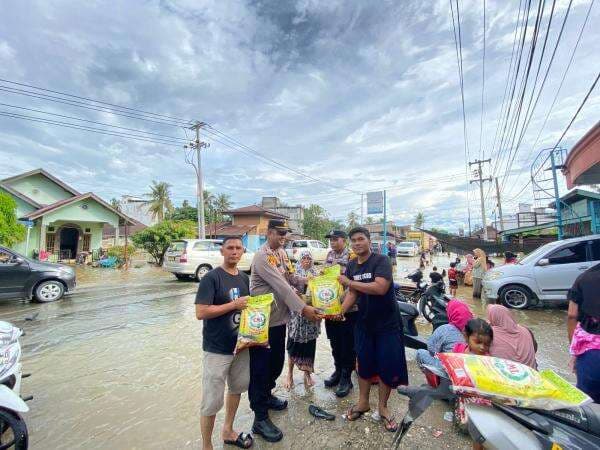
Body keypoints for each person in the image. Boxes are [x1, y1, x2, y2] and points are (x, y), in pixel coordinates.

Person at [248, 219, 320, 443]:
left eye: (285, 234)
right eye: (279, 233)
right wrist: (304, 308)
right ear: (269, 233)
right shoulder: (262, 256)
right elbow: (282, 286)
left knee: (276, 363)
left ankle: (267, 396)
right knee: (260, 369)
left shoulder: (281, 254)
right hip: (263, 324)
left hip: (279, 320)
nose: (283, 237)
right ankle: (259, 418)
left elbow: (291, 277)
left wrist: (312, 281)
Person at [337, 227, 408, 432]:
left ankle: (383, 407)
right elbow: (353, 294)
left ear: (369, 241)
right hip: (364, 323)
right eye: (354, 240)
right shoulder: (351, 265)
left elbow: (380, 288)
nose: (357, 243)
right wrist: (340, 311)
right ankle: (363, 402)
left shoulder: (381, 261)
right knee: (364, 364)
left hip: (387, 324)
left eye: (361, 239)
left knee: (386, 365)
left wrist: (350, 282)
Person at [195, 236, 254, 450]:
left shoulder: (244, 278)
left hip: (241, 346)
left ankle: (228, 430)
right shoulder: (211, 278)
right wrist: (233, 305)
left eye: (238, 248)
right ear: (222, 251)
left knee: (237, 388)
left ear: (243, 252)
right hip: (217, 349)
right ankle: (206, 445)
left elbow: (247, 310)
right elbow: (201, 312)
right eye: (230, 247)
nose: (234, 251)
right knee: (211, 401)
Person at [323, 230, 356, 398]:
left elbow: (354, 285)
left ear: (344, 240)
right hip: (329, 307)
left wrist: (341, 305)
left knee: (347, 344)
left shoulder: (352, 257)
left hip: (348, 309)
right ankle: (337, 371)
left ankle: (346, 377)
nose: (332, 242)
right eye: (331, 240)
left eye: (335, 239)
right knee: (334, 342)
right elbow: (325, 279)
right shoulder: (329, 255)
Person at [284, 251, 320, 389]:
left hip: (310, 319)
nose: (306, 260)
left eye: (309, 258)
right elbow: (287, 288)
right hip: (296, 317)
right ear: (300, 260)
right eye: (304, 258)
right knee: (293, 345)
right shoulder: (293, 274)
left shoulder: (315, 273)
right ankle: (289, 374)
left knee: (309, 346)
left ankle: (307, 373)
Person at [567, 263, 600, 402]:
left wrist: (574, 351)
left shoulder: (585, 278)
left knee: (588, 403)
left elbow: (572, 315)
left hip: (592, 353)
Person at [415, 300, 473, 371]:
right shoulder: (474, 331)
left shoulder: (446, 328)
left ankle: (432, 380)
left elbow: (431, 348)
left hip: (449, 369)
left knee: (420, 353)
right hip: (468, 369)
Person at [487, 305, 537, 369]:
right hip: (531, 374)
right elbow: (534, 349)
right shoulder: (525, 330)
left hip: (505, 375)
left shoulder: (489, 332)